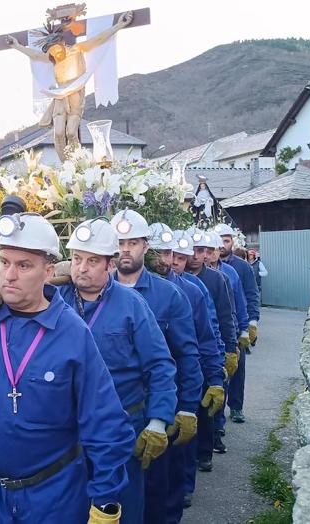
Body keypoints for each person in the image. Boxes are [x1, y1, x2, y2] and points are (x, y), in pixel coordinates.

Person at [0, 212, 135, 523]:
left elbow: (104, 421)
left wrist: (105, 500)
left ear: (48, 272)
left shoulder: (72, 333)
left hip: (54, 494)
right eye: (4, 262)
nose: (9, 275)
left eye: (23, 266)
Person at [57, 218, 177, 524]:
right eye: (77, 259)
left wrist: (158, 421)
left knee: (121, 508)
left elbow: (160, 365)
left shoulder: (131, 305)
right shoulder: (56, 302)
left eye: (92, 261)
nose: (81, 268)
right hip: (68, 429)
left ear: (111, 265)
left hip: (121, 428)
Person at [109, 210, 203, 524]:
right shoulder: (93, 294)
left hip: (156, 412)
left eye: (132, 242)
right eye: (119, 242)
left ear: (145, 246)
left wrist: (187, 407)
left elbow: (186, 354)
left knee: (157, 497)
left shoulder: (169, 295)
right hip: (113, 415)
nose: (125, 249)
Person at [147, 224, 224, 519]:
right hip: (139, 398)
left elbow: (205, 338)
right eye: (160, 252)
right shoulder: (117, 289)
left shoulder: (191, 290)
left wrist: (214, 377)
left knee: (175, 466)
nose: (167, 260)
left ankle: (183, 494)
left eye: (170, 253)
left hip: (177, 390)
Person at [5, 8, 133, 160]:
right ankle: (65, 165)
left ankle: (78, 162)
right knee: (58, 133)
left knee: (71, 132)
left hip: (76, 95)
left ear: (62, 43)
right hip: (60, 96)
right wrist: (16, 45)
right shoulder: (52, 56)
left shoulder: (76, 50)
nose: (56, 55)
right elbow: (35, 55)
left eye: (57, 50)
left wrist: (118, 26)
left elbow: (98, 39)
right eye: (52, 52)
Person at [170, 230, 226, 507]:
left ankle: (186, 484)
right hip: (161, 381)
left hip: (189, 371)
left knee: (189, 430)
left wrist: (216, 373)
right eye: (173, 256)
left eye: (180, 257)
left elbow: (211, 329)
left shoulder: (196, 288)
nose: (176, 263)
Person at [185, 228, 238, 454]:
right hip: (190, 348)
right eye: (194, 251)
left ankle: (211, 441)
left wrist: (230, 347)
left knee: (211, 400)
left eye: (203, 250)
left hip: (211, 345)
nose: (198, 256)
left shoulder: (217, 279)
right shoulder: (180, 279)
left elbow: (226, 316)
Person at [205, 231, 250, 424]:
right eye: (204, 250)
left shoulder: (232, 272)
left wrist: (246, 327)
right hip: (210, 332)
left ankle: (237, 407)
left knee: (236, 371)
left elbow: (240, 302)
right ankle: (218, 424)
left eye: (213, 249)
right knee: (217, 377)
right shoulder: (194, 276)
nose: (210, 254)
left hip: (229, 328)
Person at [215, 223, 261, 349]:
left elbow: (251, 294)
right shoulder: (204, 266)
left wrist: (252, 321)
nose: (222, 245)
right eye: (219, 241)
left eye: (226, 241)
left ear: (232, 242)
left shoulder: (242, 266)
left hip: (238, 327)